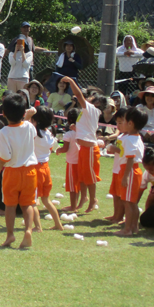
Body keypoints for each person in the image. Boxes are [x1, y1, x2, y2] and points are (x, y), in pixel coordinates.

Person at [0, 93, 38, 248]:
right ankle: (28, 230)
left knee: (10, 205)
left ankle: (10, 235)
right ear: (23, 112)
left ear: (4, 113)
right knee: (28, 204)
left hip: (12, 172)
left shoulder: (4, 132)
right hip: (30, 171)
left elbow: (5, 155)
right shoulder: (30, 126)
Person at [61, 76, 104, 213]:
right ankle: (83, 200)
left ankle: (92, 200)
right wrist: (76, 129)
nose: (89, 98)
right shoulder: (87, 112)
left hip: (90, 149)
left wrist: (71, 82)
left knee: (90, 178)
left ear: (96, 103)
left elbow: (79, 95)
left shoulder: (91, 109)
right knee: (83, 176)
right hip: (84, 148)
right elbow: (86, 128)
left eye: (92, 97)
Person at [105, 106, 147, 235]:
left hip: (130, 171)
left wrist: (126, 176)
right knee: (132, 202)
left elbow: (130, 158)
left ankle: (128, 229)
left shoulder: (130, 139)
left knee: (128, 203)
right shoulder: (135, 137)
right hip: (132, 171)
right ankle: (134, 227)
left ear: (130, 123)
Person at [30, 107, 63, 231]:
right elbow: (55, 148)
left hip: (35, 168)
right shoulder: (49, 134)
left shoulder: (34, 133)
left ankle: (38, 226)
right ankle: (58, 224)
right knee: (46, 200)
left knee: (32, 201)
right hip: (46, 169)